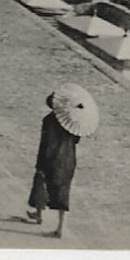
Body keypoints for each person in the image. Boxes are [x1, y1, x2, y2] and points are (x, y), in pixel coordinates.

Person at [27, 93, 81, 238]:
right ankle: (60, 227)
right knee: (63, 193)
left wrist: (41, 161)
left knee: (40, 184)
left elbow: (46, 143)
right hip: (68, 160)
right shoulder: (72, 121)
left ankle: (39, 214)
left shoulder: (49, 120)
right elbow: (76, 139)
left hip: (50, 158)